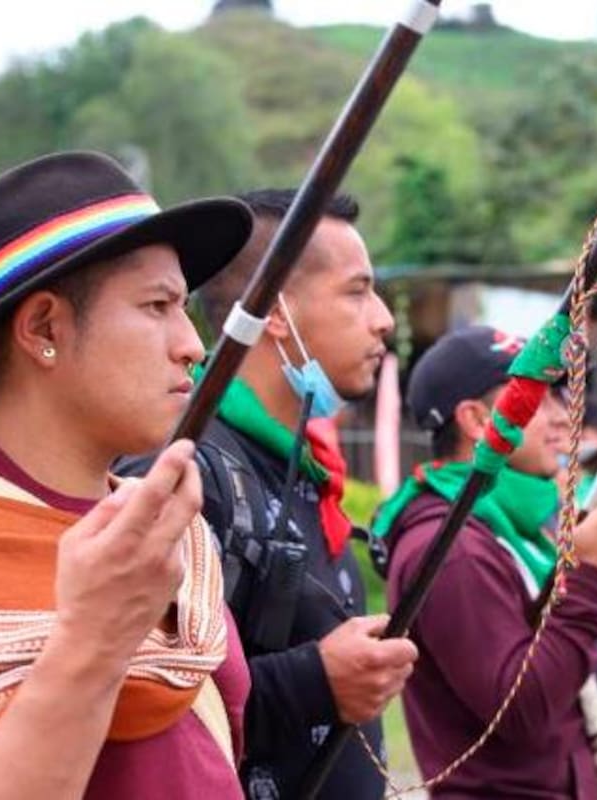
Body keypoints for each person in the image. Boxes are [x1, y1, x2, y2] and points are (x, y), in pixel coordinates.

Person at [119, 188, 418, 799]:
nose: (384, 317)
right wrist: (315, 681)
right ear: (276, 312)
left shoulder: (304, 464)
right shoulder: (185, 469)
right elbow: (143, 700)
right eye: (357, 291)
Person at [0, 150, 253, 798]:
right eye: (158, 305)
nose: (192, 344)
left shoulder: (169, 539)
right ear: (45, 327)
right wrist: (92, 641)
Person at [372, 325, 597, 798]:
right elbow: (520, 709)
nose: (562, 416)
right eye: (541, 399)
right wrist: (589, 578)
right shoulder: (454, 549)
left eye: (560, 397)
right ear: (476, 419)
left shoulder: (511, 527)